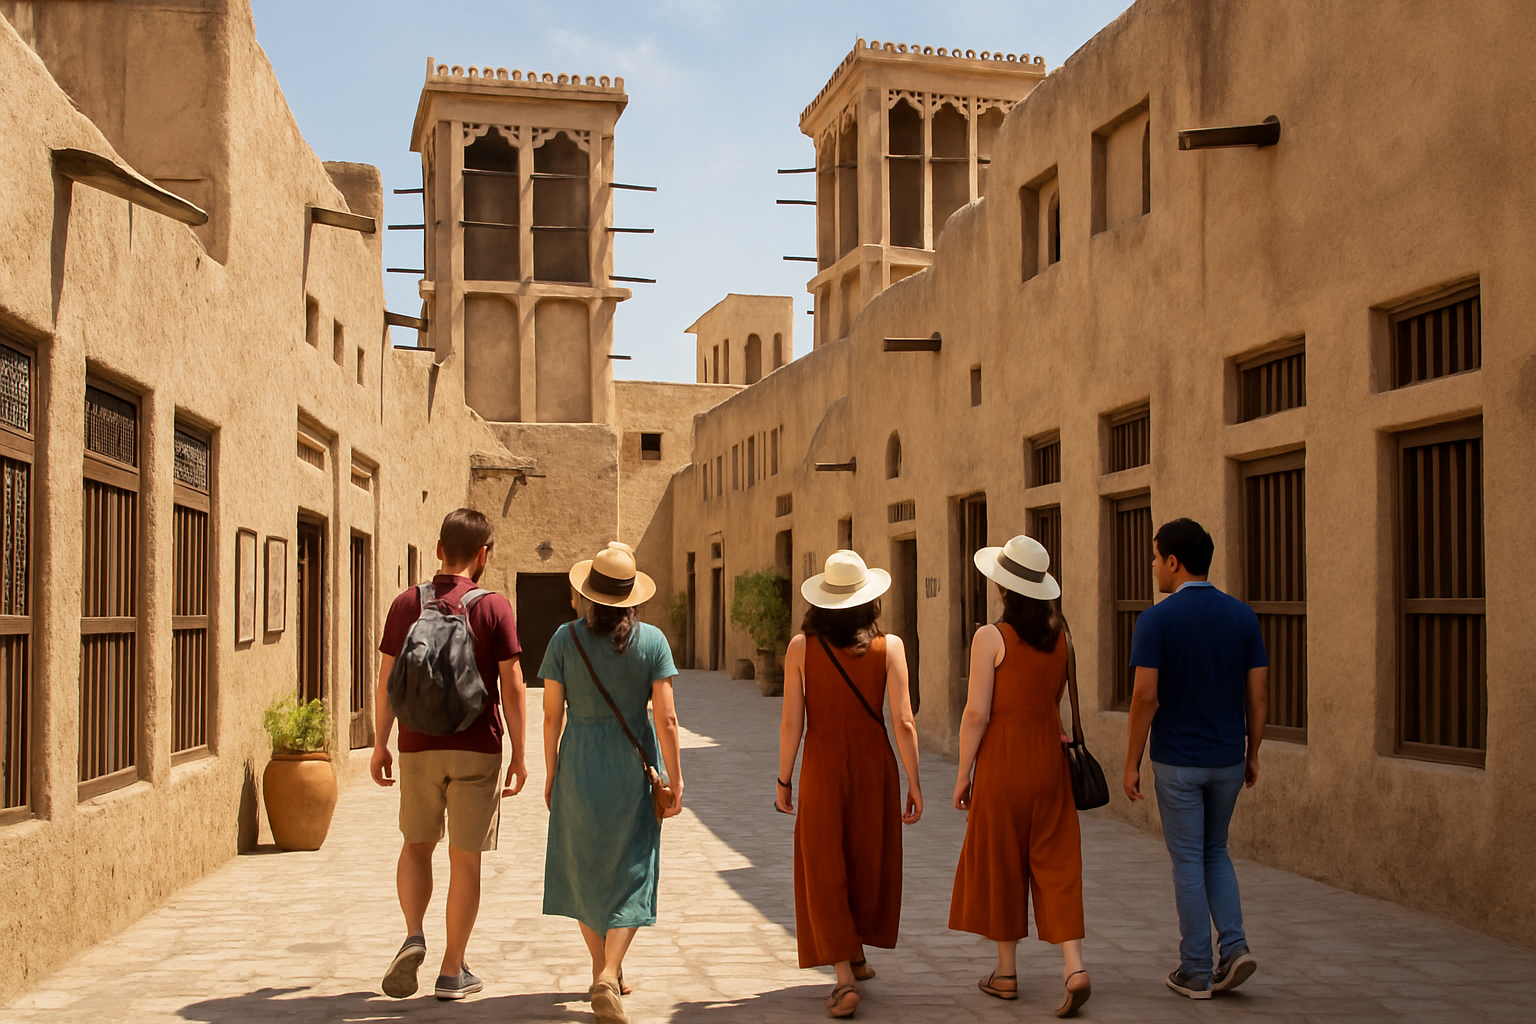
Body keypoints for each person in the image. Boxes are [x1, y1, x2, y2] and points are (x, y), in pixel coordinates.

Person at [371, 508, 528, 1001]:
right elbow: (513, 685)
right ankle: (451, 970)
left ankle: (413, 934)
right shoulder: (495, 607)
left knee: (416, 845)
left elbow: (385, 682)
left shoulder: (405, 604)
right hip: (477, 748)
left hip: (417, 744)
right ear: (483, 556)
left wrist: (380, 742)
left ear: (439, 550)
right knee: (466, 861)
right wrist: (521, 755)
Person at [1123, 517, 1268, 1000]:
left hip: (1179, 761)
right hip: (1228, 758)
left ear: (1173, 561)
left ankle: (1196, 969)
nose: (1152, 566)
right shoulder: (1243, 616)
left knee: (1187, 859)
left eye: (1155, 556)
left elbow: (1145, 697)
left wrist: (1131, 761)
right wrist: (1253, 752)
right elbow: (1259, 696)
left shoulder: (1156, 620)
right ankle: (1236, 946)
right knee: (1215, 851)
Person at [540, 542, 684, 1024]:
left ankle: (602, 968)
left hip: (579, 760)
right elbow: (666, 718)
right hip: (632, 763)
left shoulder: (564, 639)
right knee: (634, 868)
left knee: (583, 868)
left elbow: (550, 713)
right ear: (632, 598)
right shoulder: (653, 642)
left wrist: (551, 772)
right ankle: (610, 972)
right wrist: (674, 777)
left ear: (588, 595)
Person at [776, 549, 923, 1020]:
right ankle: (856, 955)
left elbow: (790, 724)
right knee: (866, 856)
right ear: (869, 602)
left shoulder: (802, 647)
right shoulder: (891, 647)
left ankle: (842, 976)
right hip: (875, 766)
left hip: (821, 766)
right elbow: (903, 720)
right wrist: (913, 781)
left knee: (825, 865)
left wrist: (784, 778)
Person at [950, 535, 1090, 1018]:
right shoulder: (1063, 640)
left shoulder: (990, 637)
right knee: (1057, 863)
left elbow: (976, 714)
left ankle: (1005, 973)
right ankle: (1074, 967)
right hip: (1049, 764)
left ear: (1004, 587)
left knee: (1002, 863)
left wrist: (964, 772)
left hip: (1002, 765)